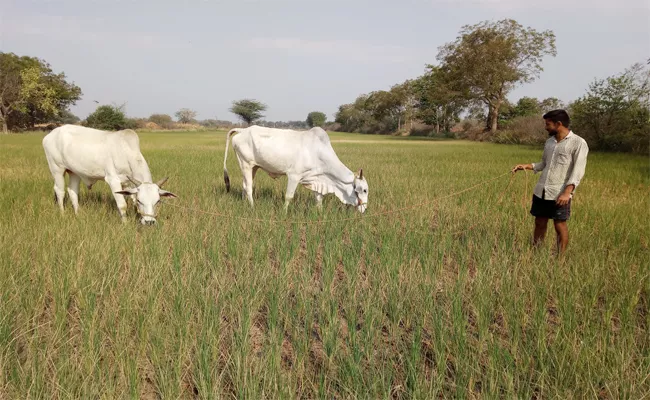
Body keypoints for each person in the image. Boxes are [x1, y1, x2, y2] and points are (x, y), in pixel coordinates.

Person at [512, 110, 589, 254]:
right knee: (539, 222)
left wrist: (567, 193)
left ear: (558, 124)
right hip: (541, 190)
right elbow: (543, 164)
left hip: (559, 194)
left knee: (559, 225)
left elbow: (578, 171)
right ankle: (535, 253)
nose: (545, 127)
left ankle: (560, 259)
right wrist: (526, 166)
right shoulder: (549, 142)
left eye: (548, 124)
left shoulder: (578, 143)